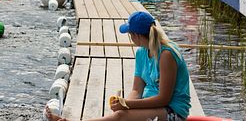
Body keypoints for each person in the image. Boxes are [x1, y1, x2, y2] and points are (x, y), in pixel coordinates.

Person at [44, 11, 191, 121]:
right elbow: (136, 89)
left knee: (120, 116)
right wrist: (124, 103)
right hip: (153, 106)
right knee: (120, 114)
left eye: (130, 34)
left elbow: (164, 99)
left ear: (136, 35)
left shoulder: (166, 55)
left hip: (173, 111)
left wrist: (127, 105)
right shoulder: (141, 52)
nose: (130, 37)